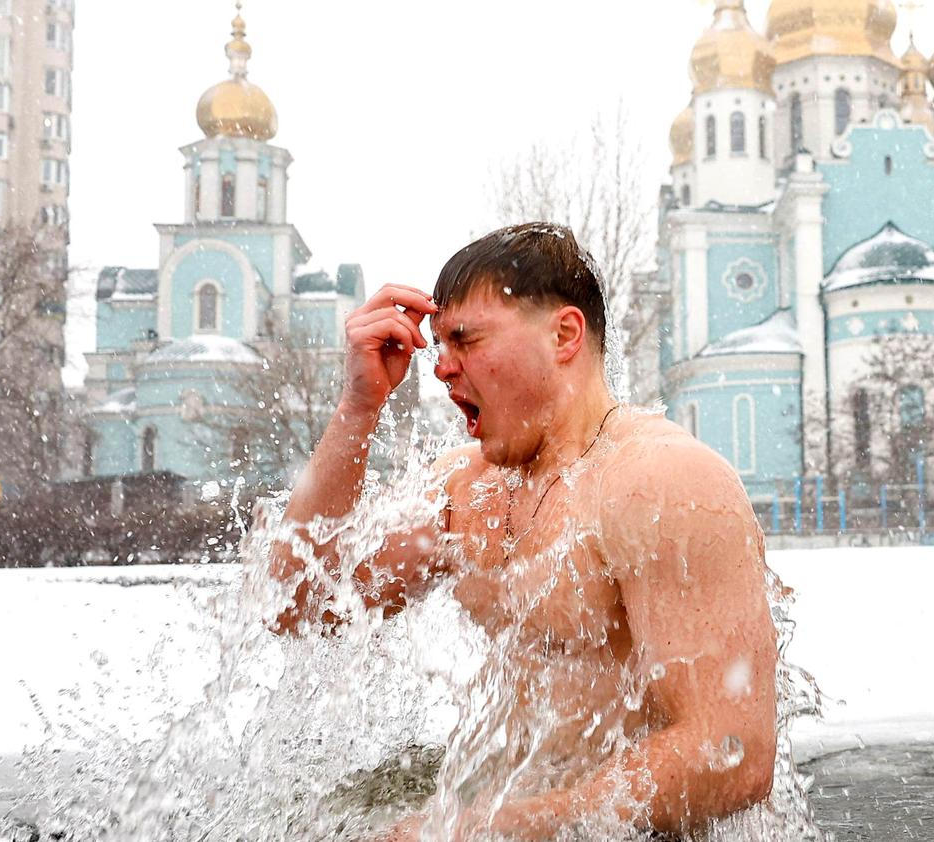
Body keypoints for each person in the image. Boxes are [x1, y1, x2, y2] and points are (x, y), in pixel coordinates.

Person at [264, 222, 777, 840]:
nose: (441, 368)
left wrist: (484, 832)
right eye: (439, 345)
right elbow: (299, 608)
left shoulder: (663, 482)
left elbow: (733, 752)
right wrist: (358, 408)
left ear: (564, 335)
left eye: (465, 339)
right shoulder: (466, 491)